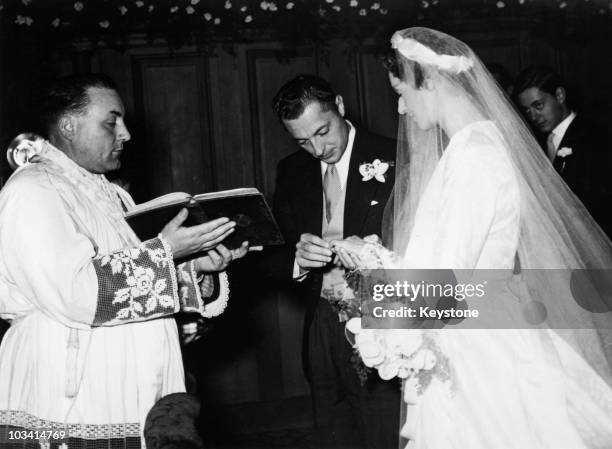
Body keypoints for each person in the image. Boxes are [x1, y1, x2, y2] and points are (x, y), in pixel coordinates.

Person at [332, 27, 612, 448]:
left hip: (482, 347)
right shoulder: (468, 149)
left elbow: (444, 279)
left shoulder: (476, 156)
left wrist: (369, 263)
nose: (402, 109)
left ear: (432, 81)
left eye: (402, 92)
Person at [0, 73, 248, 448]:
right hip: (71, 396)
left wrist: (193, 266)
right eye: (110, 122)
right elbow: (77, 293)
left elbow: (127, 270)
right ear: (68, 125)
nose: (126, 133)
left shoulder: (107, 194)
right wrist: (165, 252)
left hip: (126, 386)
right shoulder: (34, 190)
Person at [263, 74, 400, 449]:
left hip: (382, 321)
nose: (318, 149)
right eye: (303, 141)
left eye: (323, 132)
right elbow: (272, 256)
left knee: (382, 432)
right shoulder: (291, 170)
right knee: (333, 430)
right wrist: (298, 261)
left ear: (340, 106)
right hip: (319, 321)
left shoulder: (397, 155)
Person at [515, 65, 612, 236]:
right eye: (527, 110)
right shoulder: (537, 141)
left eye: (538, 106)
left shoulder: (594, 137)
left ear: (559, 95)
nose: (533, 116)